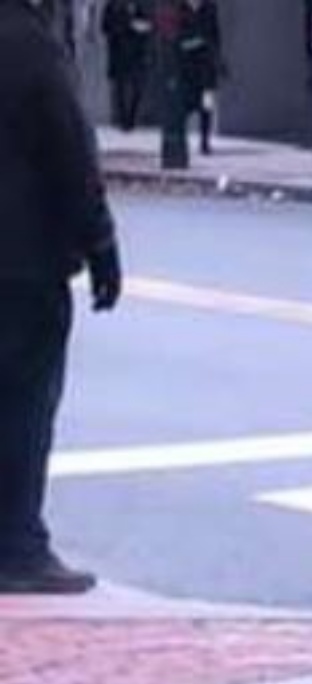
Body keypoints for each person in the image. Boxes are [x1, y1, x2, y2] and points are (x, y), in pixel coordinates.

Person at [0, 0, 122, 597]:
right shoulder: (29, 44)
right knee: (23, 406)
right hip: (20, 264)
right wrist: (100, 242)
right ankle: (19, 546)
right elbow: (70, 153)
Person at [177, 0, 221, 157]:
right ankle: (179, 140)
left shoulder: (210, 8)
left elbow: (215, 35)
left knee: (207, 106)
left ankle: (205, 141)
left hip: (206, 67)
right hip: (187, 67)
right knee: (185, 106)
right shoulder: (180, 8)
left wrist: (218, 60)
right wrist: (190, 43)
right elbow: (176, 36)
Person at [102, 0, 153, 133]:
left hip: (137, 53)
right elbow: (105, 27)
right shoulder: (112, 5)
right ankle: (124, 120)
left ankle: (131, 118)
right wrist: (128, 26)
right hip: (119, 52)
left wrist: (143, 28)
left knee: (138, 88)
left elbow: (149, 24)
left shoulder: (140, 5)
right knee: (120, 89)